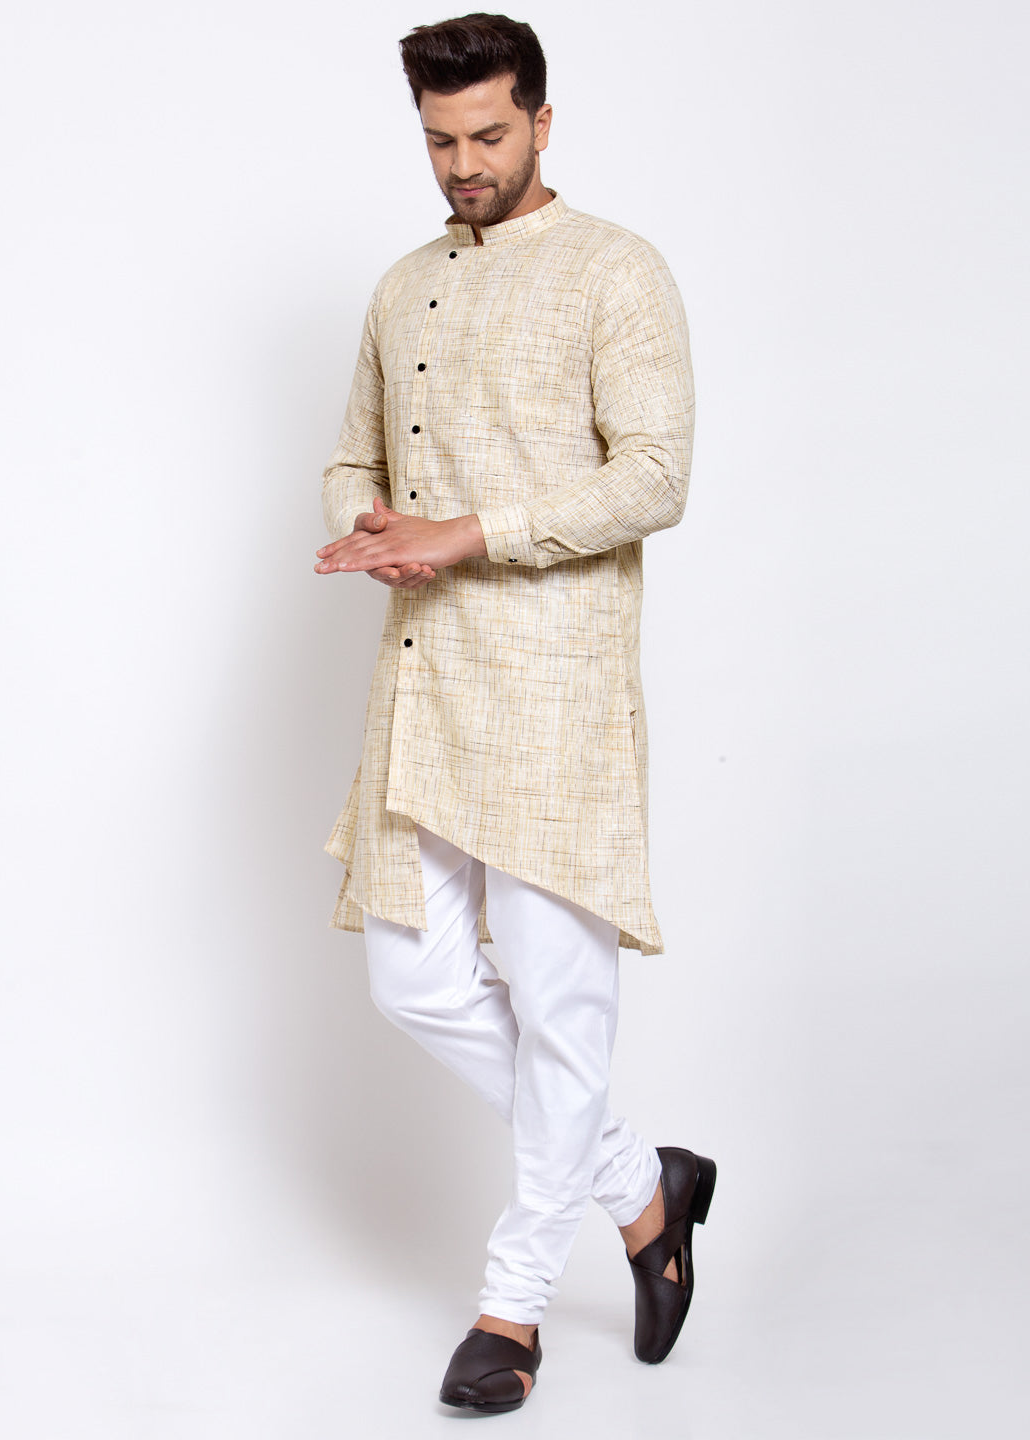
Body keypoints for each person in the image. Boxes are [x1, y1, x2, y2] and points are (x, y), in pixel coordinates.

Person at [314, 12, 715, 1414]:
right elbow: (351, 453)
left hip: (553, 690)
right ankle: (645, 1188)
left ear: (543, 120)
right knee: (412, 980)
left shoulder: (616, 270)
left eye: (488, 134)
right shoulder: (401, 286)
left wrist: (471, 532)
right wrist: (371, 518)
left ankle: (513, 1308)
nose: (464, 164)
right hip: (424, 683)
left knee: (559, 1006)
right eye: (440, 140)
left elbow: (655, 474)